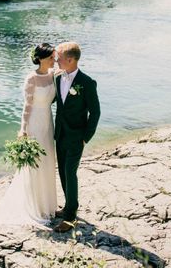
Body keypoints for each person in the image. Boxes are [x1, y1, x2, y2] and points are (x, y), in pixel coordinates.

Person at [0, 43, 57, 226]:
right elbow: (27, 106)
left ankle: (47, 206)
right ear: (40, 59)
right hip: (34, 124)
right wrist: (23, 129)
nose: (54, 60)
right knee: (35, 163)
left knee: (47, 161)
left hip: (48, 122)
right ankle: (33, 206)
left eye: (54, 57)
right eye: (51, 58)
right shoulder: (31, 78)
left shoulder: (53, 75)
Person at [52, 42, 101, 233]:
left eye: (59, 58)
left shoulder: (87, 83)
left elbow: (95, 113)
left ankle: (70, 217)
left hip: (76, 137)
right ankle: (67, 206)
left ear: (70, 60)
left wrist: (86, 137)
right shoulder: (57, 78)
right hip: (60, 134)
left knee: (70, 173)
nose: (56, 60)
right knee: (63, 172)